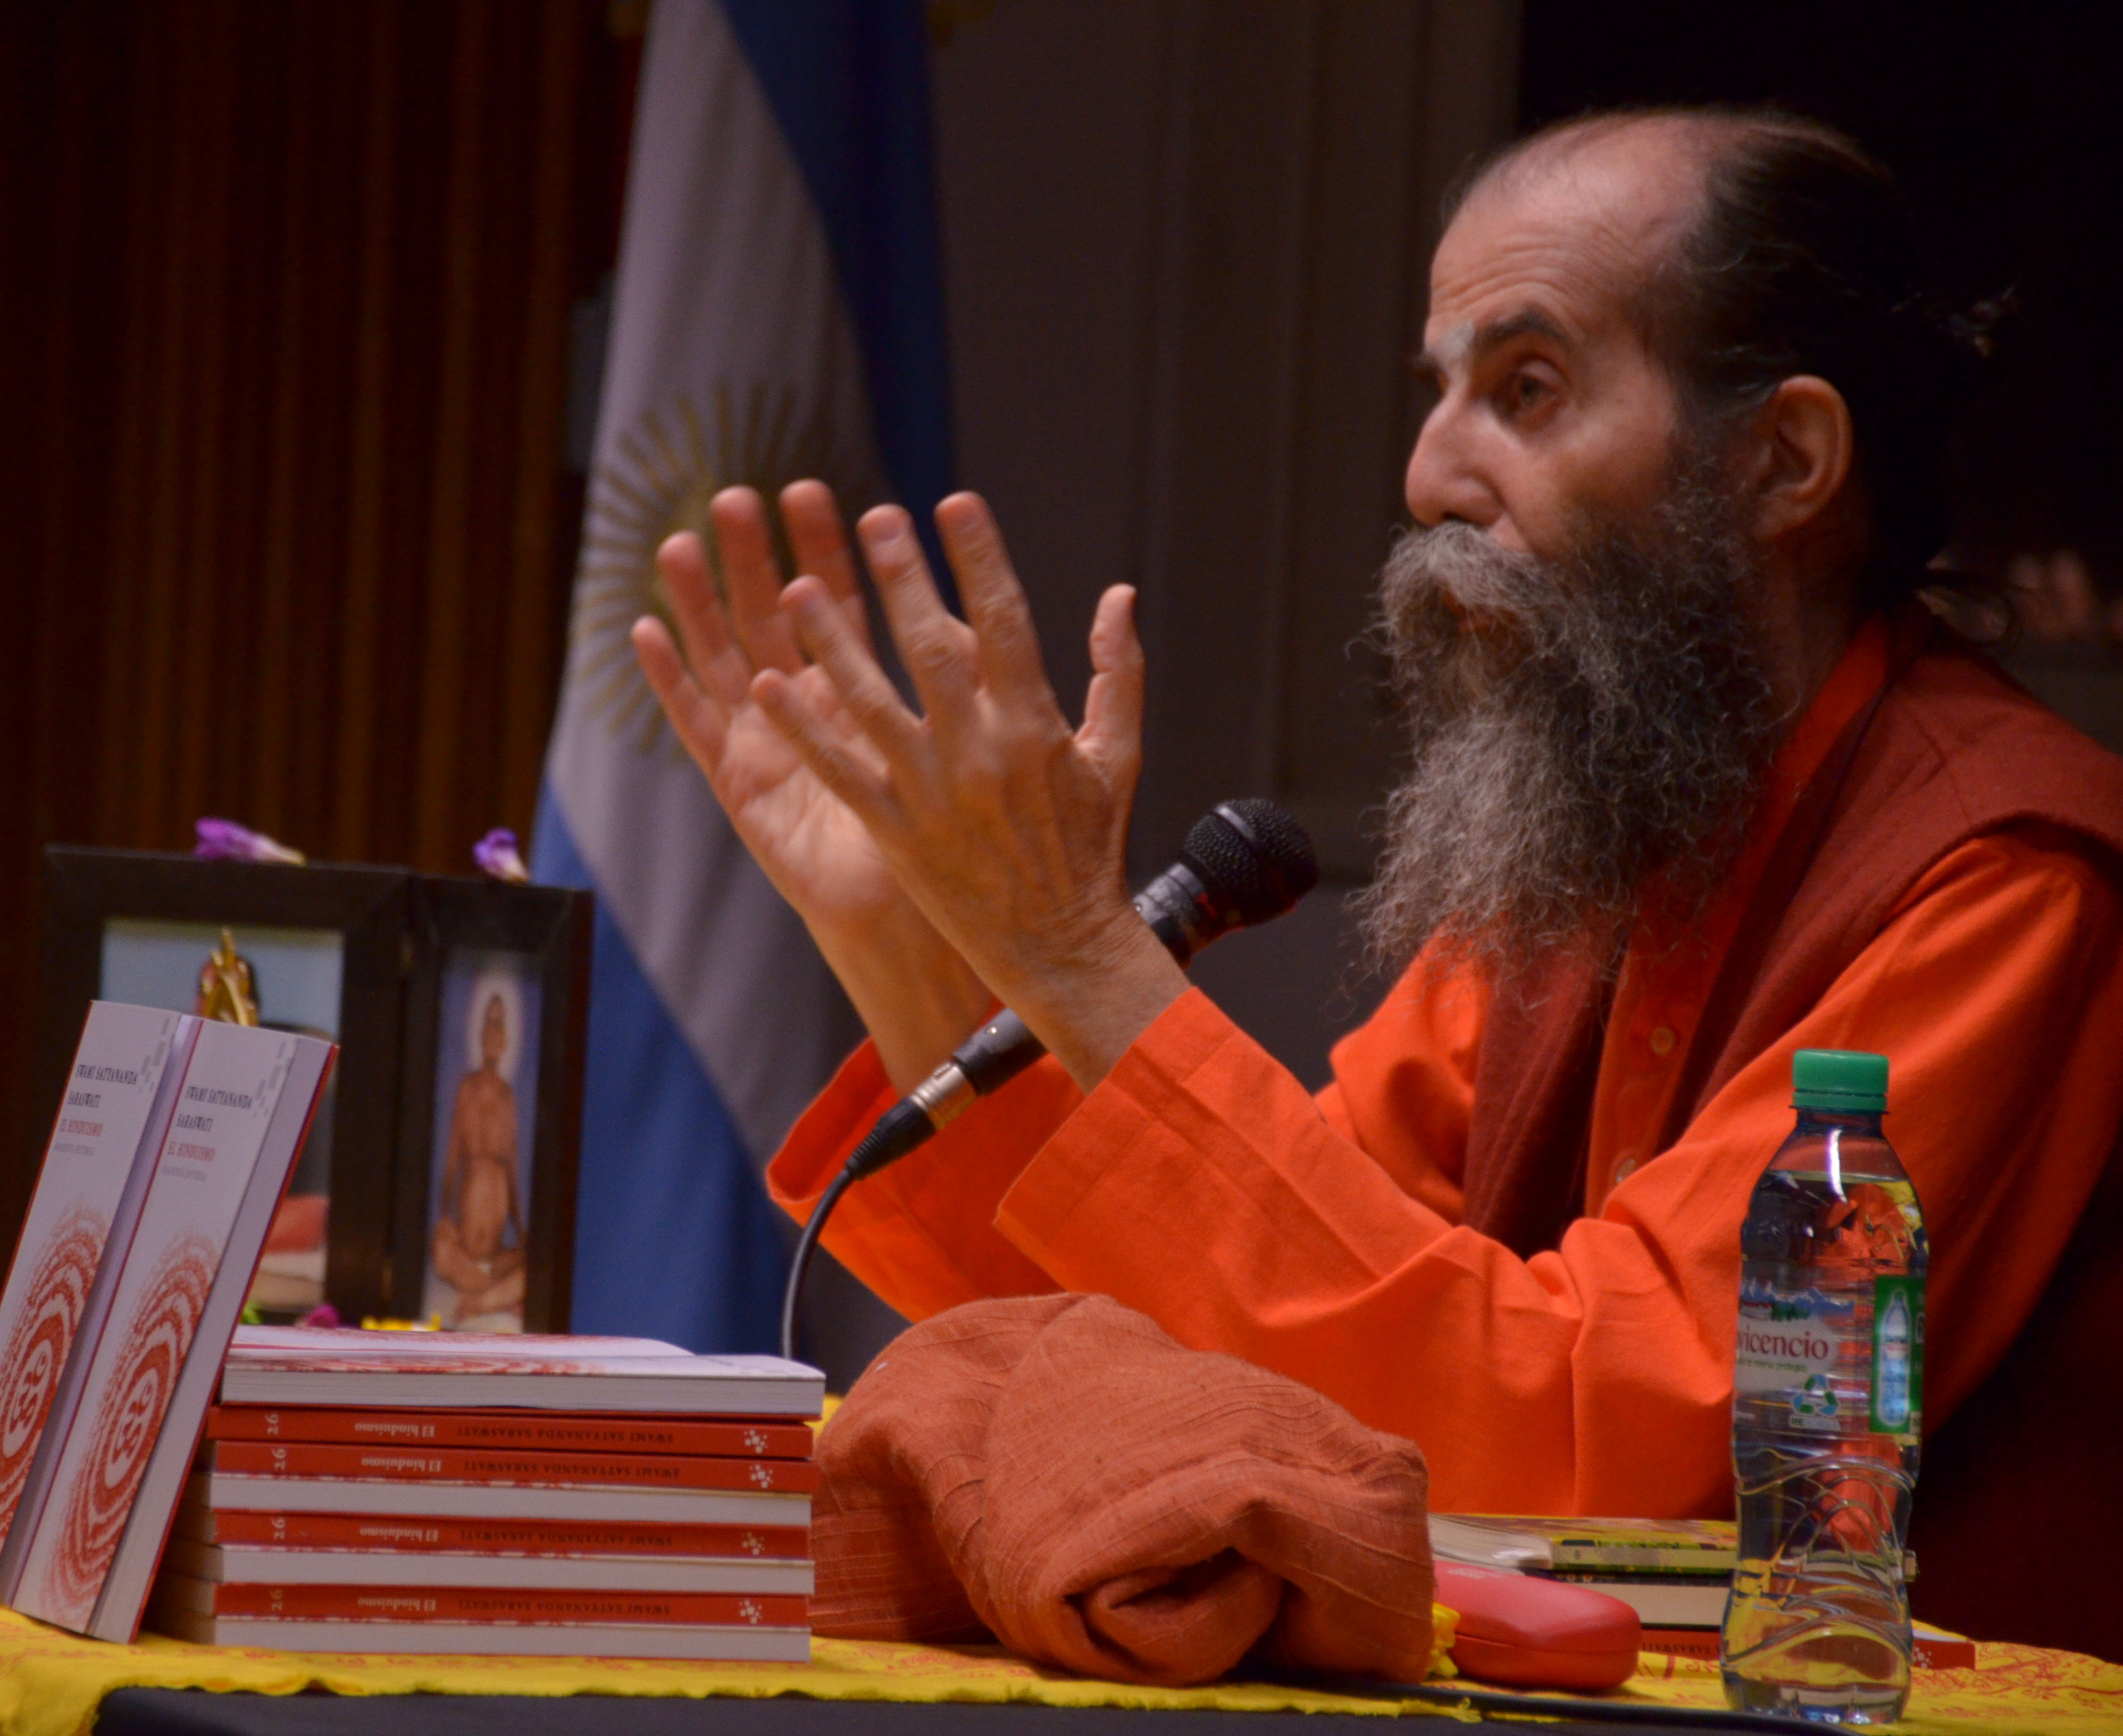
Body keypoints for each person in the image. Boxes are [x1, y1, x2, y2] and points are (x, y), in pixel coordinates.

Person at [631, 107, 2123, 1653]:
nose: (1425, 476)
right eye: (1438, 394)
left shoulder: (2000, 869)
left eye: (1523, 390)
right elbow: (1235, 1350)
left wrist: (1078, 953)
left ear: (1779, 459)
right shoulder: (1585, 836)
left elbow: (1604, 1449)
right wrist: (903, 934)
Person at [429, 990, 528, 1329]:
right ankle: (495, 1297)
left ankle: (480, 1302)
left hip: (496, 1247)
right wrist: (444, 1216)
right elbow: (452, 1158)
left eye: (500, 1026)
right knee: (441, 1253)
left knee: (535, 1267)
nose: (493, 1034)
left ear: (506, 1039)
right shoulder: (467, 1088)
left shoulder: (508, 1097)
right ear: (480, 1032)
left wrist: (522, 1230)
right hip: (466, 1251)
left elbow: (512, 1170)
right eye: (489, 1024)